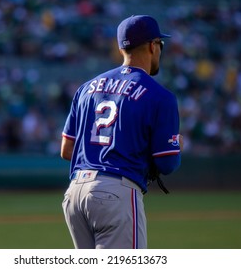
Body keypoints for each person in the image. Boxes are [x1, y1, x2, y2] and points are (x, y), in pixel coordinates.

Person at [60, 15, 183, 249]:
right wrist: (176, 147)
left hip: (75, 194)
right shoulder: (160, 96)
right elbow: (167, 163)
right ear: (151, 45)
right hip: (115, 193)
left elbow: (67, 150)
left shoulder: (87, 88)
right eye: (160, 44)